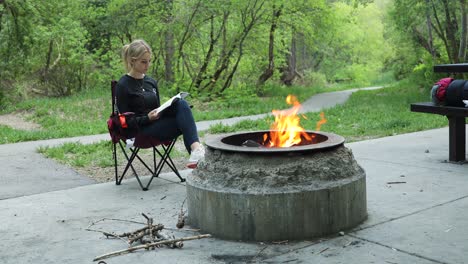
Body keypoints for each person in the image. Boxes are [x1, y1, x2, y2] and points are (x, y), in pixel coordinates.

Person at [116, 39, 204, 168]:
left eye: (149, 61)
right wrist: (147, 118)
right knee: (185, 123)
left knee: (182, 104)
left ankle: (196, 153)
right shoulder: (123, 85)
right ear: (132, 61)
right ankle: (198, 159)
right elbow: (124, 122)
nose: (148, 65)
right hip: (139, 131)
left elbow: (157, 108)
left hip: (157, 125)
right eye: (144, 62)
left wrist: (162, 110)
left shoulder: (151, 82)